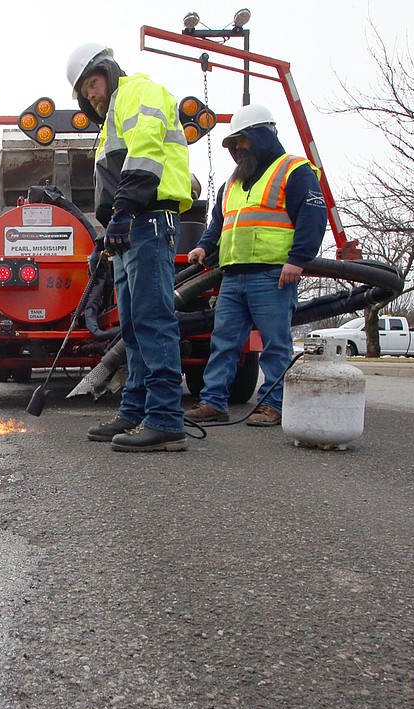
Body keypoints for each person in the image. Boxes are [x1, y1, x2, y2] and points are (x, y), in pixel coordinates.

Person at [69, 44, 195, 452]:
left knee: (152, 318)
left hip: (148, 219)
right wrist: (107, 232)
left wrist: (123, 211)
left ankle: (164, 419)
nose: (93, 95)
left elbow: (146, 153)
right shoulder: (112, 118)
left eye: (93, 83)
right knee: (133, 325)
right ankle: (136, 409)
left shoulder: (139, 93)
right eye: (86, 93)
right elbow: (117, 177)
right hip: (130, 226)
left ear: (107, 70)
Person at [184, 104, 327, 427]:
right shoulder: (231, 185)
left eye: (243, 142)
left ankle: (272, 405)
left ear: (262, 137)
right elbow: (218, 225)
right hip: (233, 276)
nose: (237, 149)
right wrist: (204, 247)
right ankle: (213, 402)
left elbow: (313, 216)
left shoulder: (294, 171)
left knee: (275, 344)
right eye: (234, 144)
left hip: (273, 275)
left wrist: (298, 260)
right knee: (223, 343)